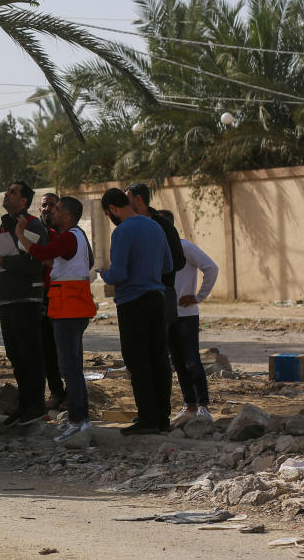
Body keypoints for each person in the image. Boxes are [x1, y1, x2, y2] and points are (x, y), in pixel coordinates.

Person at [17, 196, 98, 443]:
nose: (53, 211)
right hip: (73, 305)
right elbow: (53, 259)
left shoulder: (70, 236)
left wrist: (21, 234)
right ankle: (81, 419)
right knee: (73, 367)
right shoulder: (77, 237)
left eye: (58, 209)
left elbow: (43, 252)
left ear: (68, 216)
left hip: (68, 307)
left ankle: (76, 421)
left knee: (69, 368)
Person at [0, 180, 50, 426]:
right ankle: (25, 405)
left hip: (26, 300)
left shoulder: (31, 225)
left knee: (30, 355)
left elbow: (35, 263)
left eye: (13, 192)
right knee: (16, 356)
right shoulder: (4, 226)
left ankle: (36, 406)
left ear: (24, 201)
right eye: (7, 190)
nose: (7, 194)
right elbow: (2, 266)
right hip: (7, 299)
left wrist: (3, 262)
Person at [99, 188, 172, 436]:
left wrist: (103, 274)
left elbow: (118, 274)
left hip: (133, 302)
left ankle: (148, 418)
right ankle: (162, 418)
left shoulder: (122, 232)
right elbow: (168, 265)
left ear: (112, 209)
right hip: (156, 298)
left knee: (138, 360)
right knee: (158, 359)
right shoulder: (155, 227)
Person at [157, 210, 218, 425]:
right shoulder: (156, 250)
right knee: (177, 362)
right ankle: (189, 405)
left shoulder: (184, 247)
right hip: (166, 315)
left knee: (192, 360)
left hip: (186, 314)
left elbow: (211, 267)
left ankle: (203, 406)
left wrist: (199, 296)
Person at [126, 182, 186, 328]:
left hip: (161, 294)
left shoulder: (164, 227)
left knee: (158, 346)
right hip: (135, 295)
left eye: (127, 200)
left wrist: (153, 269)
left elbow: (179, 260)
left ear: (138, 200)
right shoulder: (127, 227)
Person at [37, 192, 67, 411]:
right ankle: (56, 392)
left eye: (51, 205)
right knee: (46, 349)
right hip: (40, 297)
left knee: (65, 349)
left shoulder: (66, 234)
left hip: (62, 296)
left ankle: (71, 394)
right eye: (44, 205)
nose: (47, 209)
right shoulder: (36, 233)